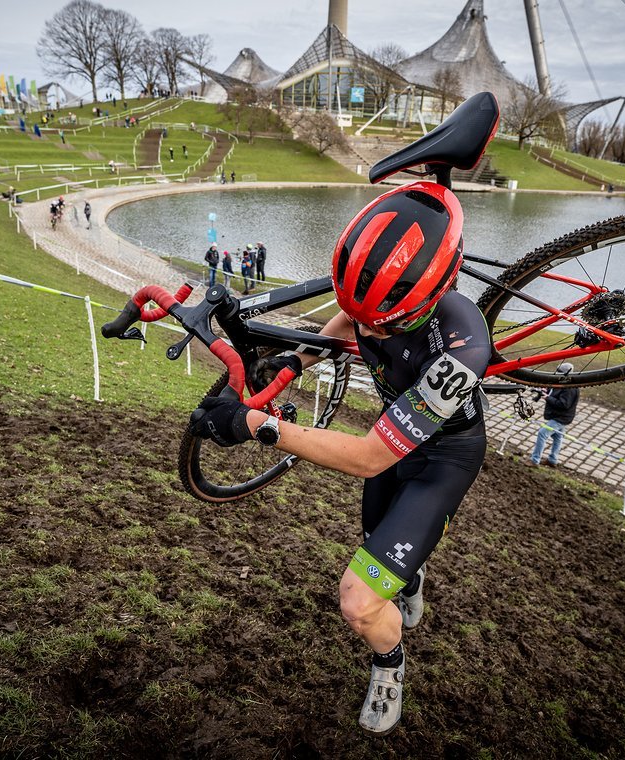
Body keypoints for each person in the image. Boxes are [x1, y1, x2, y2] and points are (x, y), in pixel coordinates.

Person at [188, 180, 491, 735]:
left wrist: (256, 424)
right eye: (360, 310)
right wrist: (294, 363)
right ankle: (409, 577)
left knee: (357, 602)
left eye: (385, 321)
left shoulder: (465, 343)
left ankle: (389, 665)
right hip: (396, 432)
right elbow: (348, 321)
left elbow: (369, 457)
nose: (369, 328)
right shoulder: (373, 298)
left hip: (443, 455)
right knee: (376, 534)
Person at [528, 364, 580, 467]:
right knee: (558, 437)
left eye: (559, 372)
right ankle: (553, 460)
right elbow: (553, 390)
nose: (556, 374)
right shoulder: (561, 381)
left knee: (542, 433)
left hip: (561, 418)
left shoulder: (569, 388)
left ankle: (534, 460)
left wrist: (547, 397)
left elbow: (563, 404)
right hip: (559, 416)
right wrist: (545, 391)